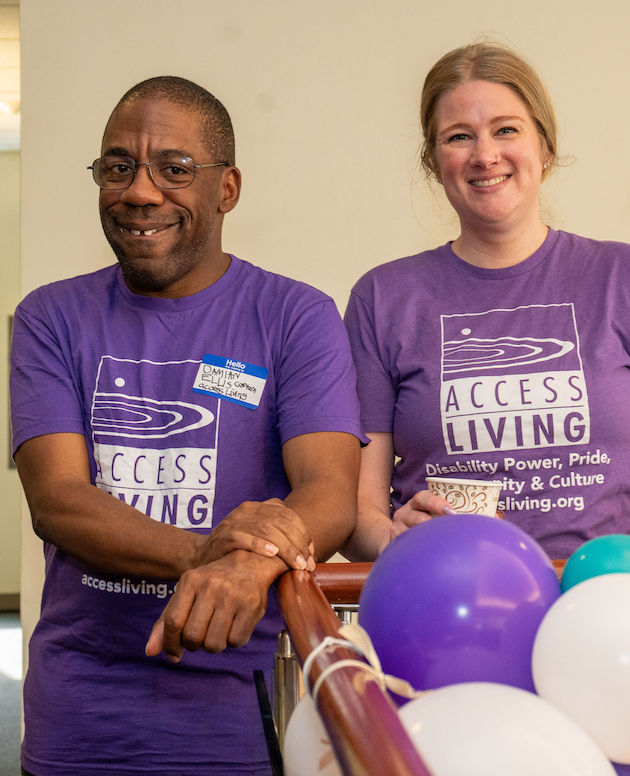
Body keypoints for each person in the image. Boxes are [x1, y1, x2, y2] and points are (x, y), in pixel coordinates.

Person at [10, 76, 365, 776]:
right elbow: (58, 502)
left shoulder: (297, 315)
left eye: (174, 169)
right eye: (118, 167)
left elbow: (328, 493)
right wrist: (213, 555)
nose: (140, 192)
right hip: (82, 717)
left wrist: (248, 565)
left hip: (244, 714)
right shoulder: (49, 318)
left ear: (225, 189)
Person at [341, 42, 630, 563]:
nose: (485, 154)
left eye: (506, 129)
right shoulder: (383, 298)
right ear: (434, 160)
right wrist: (388, 538)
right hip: (448, 600)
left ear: (545, 146)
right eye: (459, 137)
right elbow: (356, 511)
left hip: (602, 602)